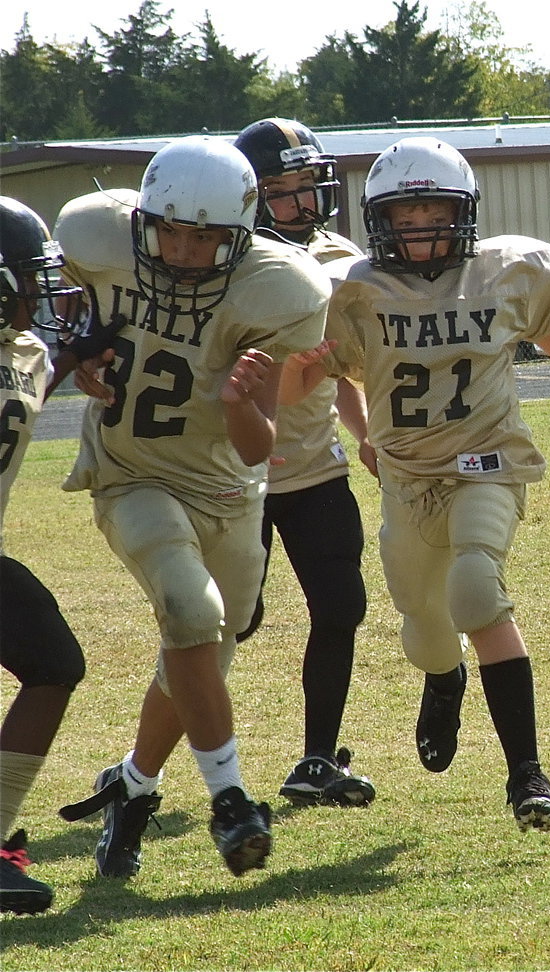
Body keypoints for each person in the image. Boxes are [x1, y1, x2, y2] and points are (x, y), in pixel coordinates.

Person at [280, 136, 550, 832]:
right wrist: (298, 368)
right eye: (405, 216)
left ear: (464, 211)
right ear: (380, 221)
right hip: (408, 478)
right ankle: (444, 682)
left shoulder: (505, 272)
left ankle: (526, 775)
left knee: (477, 589)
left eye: (434, 211)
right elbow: (305, 379)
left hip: (489, 462)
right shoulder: (353, 289)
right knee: (425, 628)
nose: (421, 229)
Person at [53, 135, 330, 878]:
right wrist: (84, 354)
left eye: (203, 237)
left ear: (239, 235)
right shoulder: (96, 234)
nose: (179, 249)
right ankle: (232, 800)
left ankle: (134, 786)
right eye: (168, 230)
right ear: (143, 217)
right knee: (191, 610)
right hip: (131, 474)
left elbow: (253, 446)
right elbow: (69, 323)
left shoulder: (278, 287)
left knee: (200, 652)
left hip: (228, 492)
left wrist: (240, 400)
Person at [229, 117, 374, 807]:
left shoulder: (337, 252)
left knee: (341, 606)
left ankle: (317, 759)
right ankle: (149, 768)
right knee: (228, 620)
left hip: (316, 467)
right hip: (237, 475)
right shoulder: (232, 264)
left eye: (307, 186)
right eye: (281, 192)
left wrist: (368, 434)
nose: (301, 204)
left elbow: (341, 367)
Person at [0, 197, 89, 914]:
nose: (42, 292)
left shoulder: (25, 348)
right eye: (30, 278)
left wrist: (81, 356)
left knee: (53, 661)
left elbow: (28, 388)